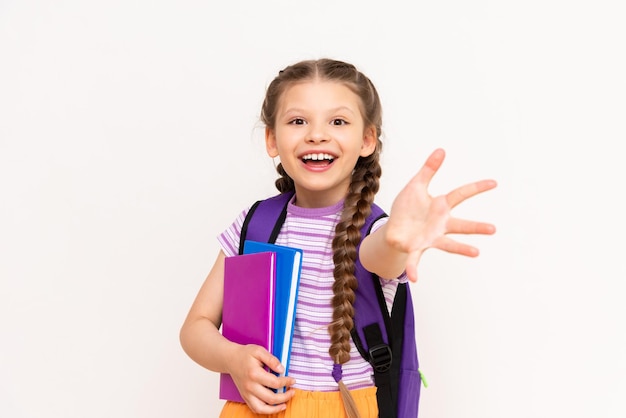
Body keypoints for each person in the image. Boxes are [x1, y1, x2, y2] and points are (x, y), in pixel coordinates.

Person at [179, 58, 497, 418]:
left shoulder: (377, 231)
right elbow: (195, 327)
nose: (317, 134)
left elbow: (381, 254)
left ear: (367, 140)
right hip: (254, 409)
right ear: (272, 139)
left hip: (344, 409)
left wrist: (398, 236)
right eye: (298, 121)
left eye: (338, 121)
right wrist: (233, 359)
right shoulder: (254, 223)